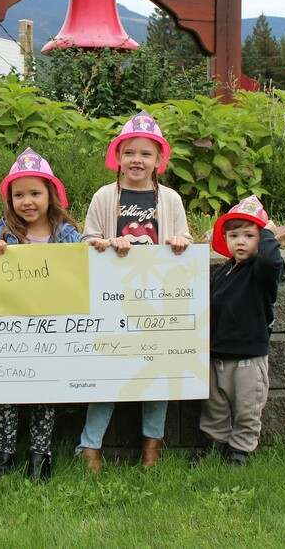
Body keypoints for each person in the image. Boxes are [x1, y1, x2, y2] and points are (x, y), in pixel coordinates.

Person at [76, 110, 193, 473]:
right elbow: (87, 240)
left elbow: (186, 239)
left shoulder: (170, 199)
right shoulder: (104, 196)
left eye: (146, 153)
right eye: (130, 153)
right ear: (118, 157)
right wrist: (108, 243)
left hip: (158, 299)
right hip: (113, 298)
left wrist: (178, 242)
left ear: (159, 159)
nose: (137, 160)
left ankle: (151, 447)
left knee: (158, 372)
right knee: (107, 371)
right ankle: (90, 446)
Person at [0, 147, 82, 486]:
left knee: (45, 390)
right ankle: (4, 453)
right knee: (6, 391)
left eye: (35, 193)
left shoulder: (66, 234)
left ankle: (41, 454)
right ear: (9, 199)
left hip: (51, 329)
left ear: (50, 195)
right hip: (10, 327)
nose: (27, 201)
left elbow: (83, 265)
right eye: (19, 194)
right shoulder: (3, 231)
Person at [197, 195, 284, 468]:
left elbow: (270, 261)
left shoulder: (261, 273)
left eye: (250, 235)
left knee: (248, 406)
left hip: (248, 357)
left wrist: (269, 232)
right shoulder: (222, 272)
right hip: (217, 353)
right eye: (234, 235)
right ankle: (215, 443)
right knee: (214, 405)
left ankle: (240, 451)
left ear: (261, 239)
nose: (241, 241)